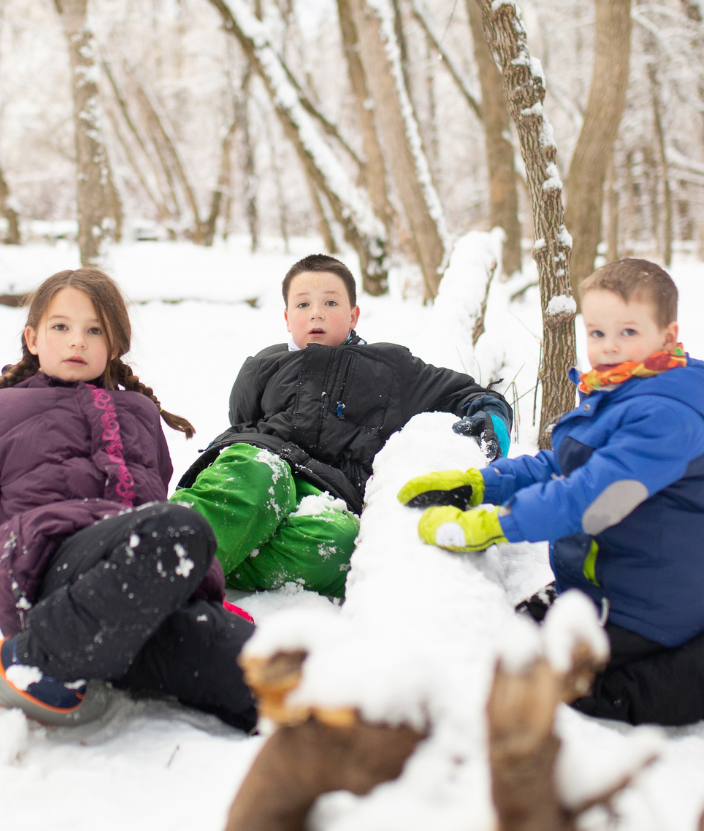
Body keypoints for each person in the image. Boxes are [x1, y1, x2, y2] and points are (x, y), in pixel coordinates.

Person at [400, 258, 704, 727]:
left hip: (653, 602)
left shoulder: (664, 416)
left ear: (668, 336)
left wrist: (495, 525)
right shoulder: (618, 391)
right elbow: (561, 463)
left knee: (562, 686)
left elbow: (591, 501)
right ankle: (577, 610)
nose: (608, 347)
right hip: (610, 577)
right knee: (519, 636)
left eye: (628, 332)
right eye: (598, 333)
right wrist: (482, 484)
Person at [0, 269, 257, 733]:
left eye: (95, 330)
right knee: (180, 529)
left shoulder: (139, 414)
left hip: (129, 601)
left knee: (267, 672)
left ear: (115, 344)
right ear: (32, 337)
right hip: (43, 569)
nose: (77, 341)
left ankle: (73, 656)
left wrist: (196, 588)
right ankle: (30, 661)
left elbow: (150, 508)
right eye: (61, 327)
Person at [171, 253, 513, 599]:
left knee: (339, 543)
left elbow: (464, 393)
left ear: (353, 316)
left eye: (330, 302)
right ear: (288, 319)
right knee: (258, 475)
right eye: (303, 304)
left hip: (328, 492)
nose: (316, 312)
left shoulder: (390, 369)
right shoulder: (264, 366)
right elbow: (241, 420)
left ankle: (211, 553)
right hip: (260, 461)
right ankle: (162, 556)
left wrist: (491, 421)